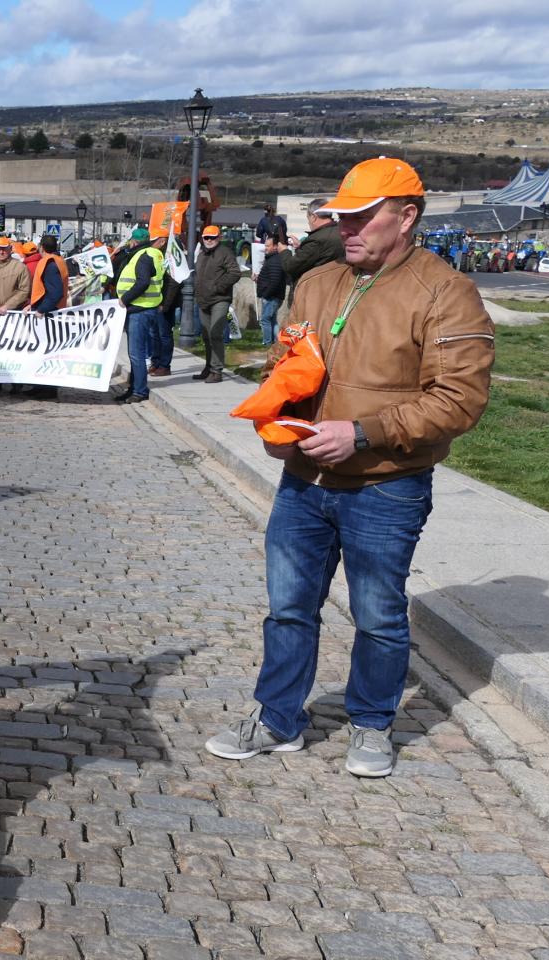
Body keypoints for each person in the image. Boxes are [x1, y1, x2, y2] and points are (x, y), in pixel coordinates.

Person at [204, 157, 494, 778]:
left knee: (380, 614)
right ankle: (278, 719)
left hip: (387, 486)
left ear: (407, 216)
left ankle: (371, 722)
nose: (349, 229)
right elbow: (285, 368)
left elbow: (459, 399)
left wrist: (364, 434)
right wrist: (275, 424)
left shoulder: (447, 293)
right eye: (342, 218)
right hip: (303, 482)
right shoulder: (316, 283)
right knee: (287, 608)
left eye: (363, 217)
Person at [116, 230, 166, 403]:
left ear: (134, 242)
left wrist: (125, 299)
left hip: (140, 309)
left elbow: (143, 282)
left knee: (136, 353)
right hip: (145, 308)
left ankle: (139, 390)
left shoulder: (143, 256)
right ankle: (134, 387)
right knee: (135, 353)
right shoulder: (155, 254)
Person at [193, 224, 240, 383]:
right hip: (203, 300)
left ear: (219, 238)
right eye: (206, 237)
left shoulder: (224, 252)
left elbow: (235, 273)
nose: (209, 240)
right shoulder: (201, 254)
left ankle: (217, 370)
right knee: (206, 335)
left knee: (215, 333)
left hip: (219, 299)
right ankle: (208, 368)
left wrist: (218, 287)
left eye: (213, 237)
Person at [254, 232, 288, 346]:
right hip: (272, 295)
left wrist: (266, 294)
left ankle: (268, 342)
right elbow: (270, 278)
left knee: (265, 320)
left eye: (268, 246)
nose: (265, 248)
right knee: (272, 320)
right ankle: (277, 342)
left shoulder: (275, 260)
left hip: (271, 297)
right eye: (265, 245)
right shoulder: (272, 259)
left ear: (275, 246)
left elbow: (274, 281)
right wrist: (258, 279)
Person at [29, 235, 69, 313]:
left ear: (42, 247)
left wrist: (41, 309)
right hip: (54, 309)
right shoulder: (59, 260)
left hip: (48, 313)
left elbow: (56, 292)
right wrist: (31, 305)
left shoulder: (49, 264)